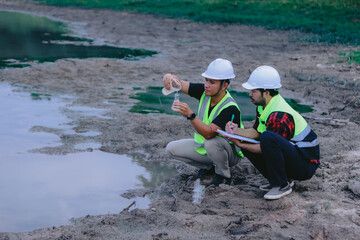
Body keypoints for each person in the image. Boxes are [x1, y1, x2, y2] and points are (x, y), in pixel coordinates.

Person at [225, 65, 320, 200]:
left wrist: (242, 145)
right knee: (251, 139)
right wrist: (237, 131)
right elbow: (257, 132)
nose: (250, 94)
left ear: (266, 92)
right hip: (296, 156)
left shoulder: (279, 116)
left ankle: (281, 185)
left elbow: (268, 148)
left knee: (266, 138)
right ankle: (282, 179)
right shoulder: (264, 106)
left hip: (305, 165)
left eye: (254, 91)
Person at [163, 58, 244, 186]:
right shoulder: (205, 92)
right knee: (171, 149)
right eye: (206, 80)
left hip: (229, 154)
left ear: (224, 85)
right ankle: (209, 168)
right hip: (208, 149)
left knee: (212, 142)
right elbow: (180, 84)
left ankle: (223, 176)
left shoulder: (230, 108)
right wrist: (170, 77)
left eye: (212, 82)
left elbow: (209, 134)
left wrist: (190, 115)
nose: (206, 85)